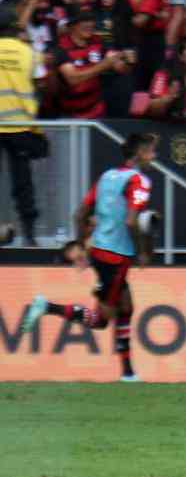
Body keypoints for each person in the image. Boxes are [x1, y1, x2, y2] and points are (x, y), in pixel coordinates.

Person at [20, 132, 159, 382]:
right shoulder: (139, 181)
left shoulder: (107, 176)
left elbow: (79, 214)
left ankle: (128, 372)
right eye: (150, 151)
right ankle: (46, 306)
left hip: (100, 252)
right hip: (116, 256)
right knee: (102, 320)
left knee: (126, 307)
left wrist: (83, 248)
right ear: (139, 153)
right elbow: (131, 221)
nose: (154, 156)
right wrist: (143, 252)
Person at [0, 1, 39, 244]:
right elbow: (41, 82)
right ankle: (30, 235)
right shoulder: (29, 52)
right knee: (23, 184)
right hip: (20, 127)